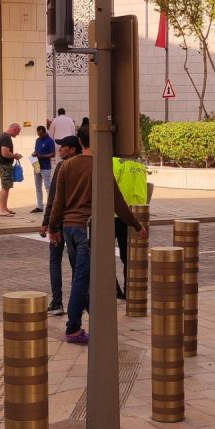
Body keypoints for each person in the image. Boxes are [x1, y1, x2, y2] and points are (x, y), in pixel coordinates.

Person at [47, 136, 146, 344]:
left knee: (83, 277)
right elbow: (117, 202)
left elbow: (58, 200)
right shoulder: (100, 168)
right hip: (87, 230)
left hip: (69, 228)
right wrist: (137, 225)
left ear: (81, 143)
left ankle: (97, 320)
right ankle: (73, 328)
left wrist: (53, 227)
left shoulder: (66, 165)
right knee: (82, 279)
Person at [39, 132, 82, 315]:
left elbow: (54, 198)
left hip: (61, 222)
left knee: (55, 260)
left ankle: (57, 303)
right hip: (77, 224)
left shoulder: (63, 166)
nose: (59, 149)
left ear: (72, 149)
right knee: (76, 265)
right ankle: (76, 303)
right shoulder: (86, 165)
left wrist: (48, 223)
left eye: (63, 146)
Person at [112, 153, 149, 300]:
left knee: (103, 256)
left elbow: (109, 188)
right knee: (128, 256)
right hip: (135, 214)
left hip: (115, 214)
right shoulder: (139, 163)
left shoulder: (115, 162)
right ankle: (129, 290)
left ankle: (115, 290)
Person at [0, 121, 22, 217]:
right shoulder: (6, 137)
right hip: (5, 165)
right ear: (14, 129)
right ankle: (2, 210)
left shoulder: (2, 136)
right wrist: (15, 156)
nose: (17, 135)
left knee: (6, 187)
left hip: (2, 165)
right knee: (5, 187)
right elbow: (5, 153)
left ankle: (5, 208)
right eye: (17, 132)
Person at [31, 123, 55, 212]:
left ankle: (50, 205)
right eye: (38, 134)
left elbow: (53, 154)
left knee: (47, 186)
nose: (40, 136)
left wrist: (41, 156)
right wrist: (34, 154)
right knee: (38, 187)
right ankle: (39, 206)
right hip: (37, 165)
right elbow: (36, 150)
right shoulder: (37, 140)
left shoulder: (50, 141)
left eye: (41, 134)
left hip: (45, 167)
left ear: (45, 132)